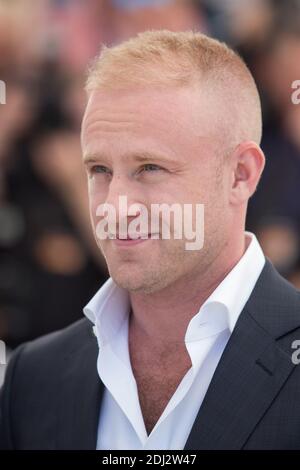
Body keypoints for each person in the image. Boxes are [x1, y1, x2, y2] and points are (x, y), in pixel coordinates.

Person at [1, 30, 300, 450]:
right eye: (99, 170)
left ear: (241, 174)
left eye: (149, 168)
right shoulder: (32, 378)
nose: (115, 206)